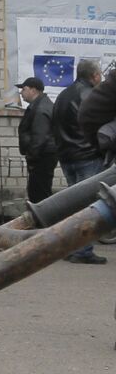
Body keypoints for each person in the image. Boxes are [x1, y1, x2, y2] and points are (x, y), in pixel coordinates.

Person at [52, 58, 107, 263]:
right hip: (88, 156)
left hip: (67, 157)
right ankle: (83, 251)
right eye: (100, 74)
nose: (101, 78)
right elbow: (100, 126)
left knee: (74, 205)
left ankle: (72, 248)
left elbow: (54, 125)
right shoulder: (93, 96)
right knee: (88, 207)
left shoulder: (63, 95)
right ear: (94, 76)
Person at [16, 76, 56, 206]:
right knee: (39, 193)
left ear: (33, 90)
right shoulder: (39, 105)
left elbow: (40, 137)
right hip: (42, 157)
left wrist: (31, 158)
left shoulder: (41, 109)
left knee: (39, 196)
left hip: (41, 159)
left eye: (24, 89)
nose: (21, 92)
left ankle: (43, 223)